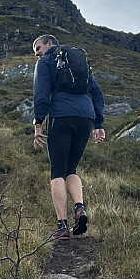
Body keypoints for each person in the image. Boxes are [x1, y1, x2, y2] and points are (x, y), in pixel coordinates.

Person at [32, 35, 105, 241]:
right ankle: (79, 207)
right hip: (86, 117)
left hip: (62, 116)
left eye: (38, 47)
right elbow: (96, 92)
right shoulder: (78, 61)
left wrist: (38, 124)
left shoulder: (46, 62)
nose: (37, 53)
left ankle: (62, 227)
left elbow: (41, 93)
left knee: (57, 171)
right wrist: (98, 124)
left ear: (50, 44)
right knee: (71, 168)